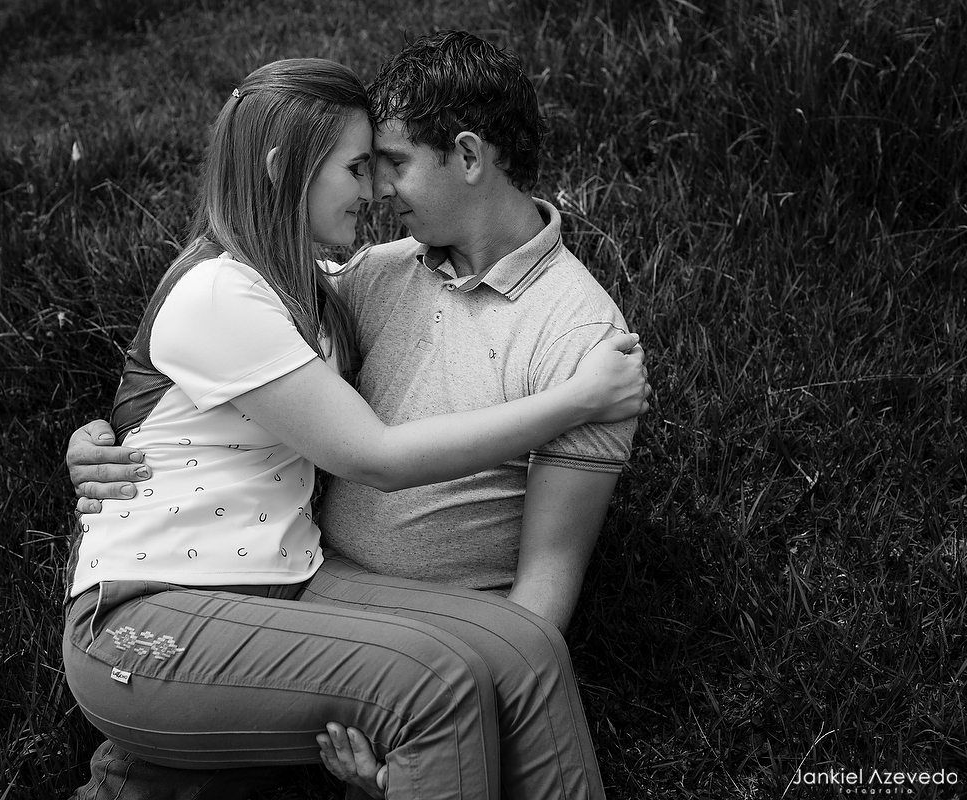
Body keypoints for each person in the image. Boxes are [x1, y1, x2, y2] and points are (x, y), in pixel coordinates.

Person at [62, 55, 649, 800]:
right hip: (205, 600)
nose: (375, 192)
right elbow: (352, 444)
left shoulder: (578, 337)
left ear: (469, 157)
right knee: (433, 688)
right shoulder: (346, 281)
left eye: (391, 164)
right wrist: (102, 440)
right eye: (361, 166)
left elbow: (548, 581)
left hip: (308, 588)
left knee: (524, 649)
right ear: (283, 168)